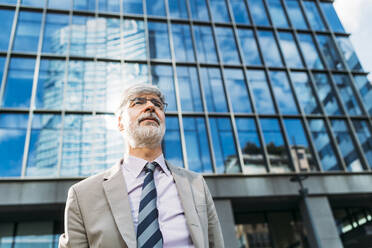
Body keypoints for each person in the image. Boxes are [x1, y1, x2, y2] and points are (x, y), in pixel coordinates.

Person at [59, 83, 224, 248]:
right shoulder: (82, 195)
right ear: (120, 123)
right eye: (138, 102)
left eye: (157, 104)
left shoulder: (196, 184)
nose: (151, 106)